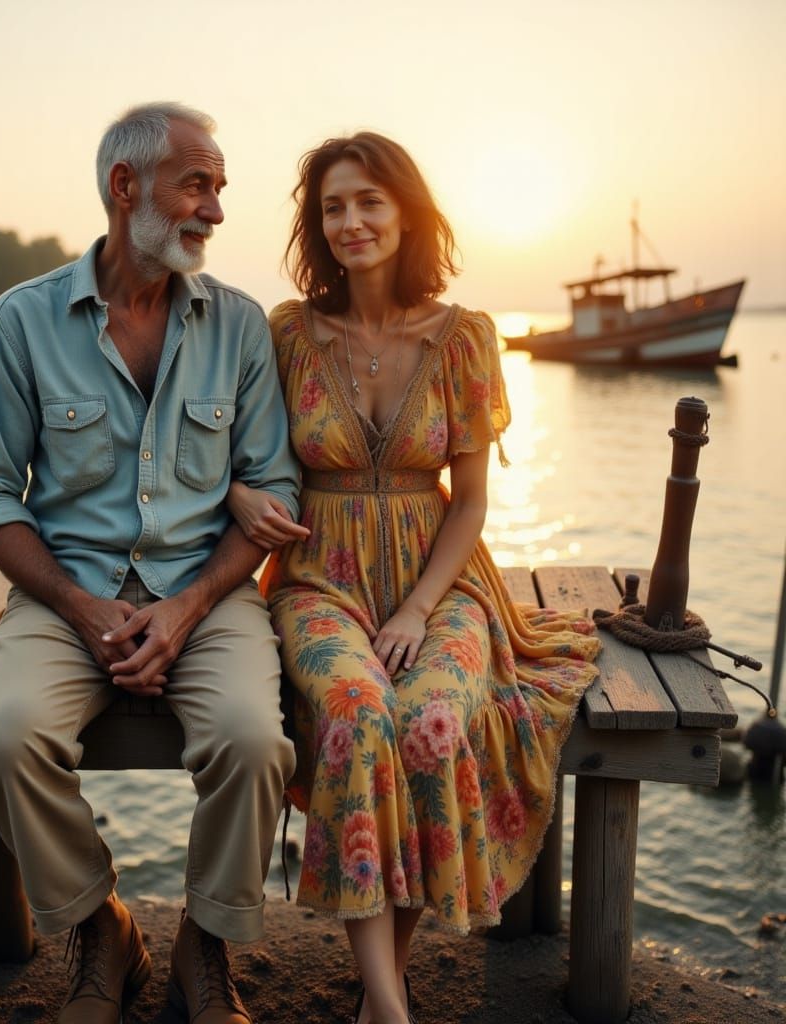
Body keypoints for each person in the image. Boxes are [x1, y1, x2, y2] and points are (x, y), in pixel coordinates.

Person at [226, 132, 600, 1024]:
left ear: (406, 212)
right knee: (357, 714)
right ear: (316, 225)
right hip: (320, 574)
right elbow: (226, 451)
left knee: (432, 720)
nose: (351, 222)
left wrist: (421, 611)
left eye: (369, 202)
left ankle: (378, 998)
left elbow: (468, 502)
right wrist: (241, 495)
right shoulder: (286, 333)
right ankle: (390, 1011)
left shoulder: (466, 337)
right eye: (332, 207)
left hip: (444, 578)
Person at [0, 102, 299, 1024]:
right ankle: (101, 930)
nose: (216, 210)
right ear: (124, 187)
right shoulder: (20, 323)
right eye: (198, 184)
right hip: (68, 597)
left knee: (255, 743)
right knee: (9, 740)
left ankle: (205, 943)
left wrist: (185, 608)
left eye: (220, 188)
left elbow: (275, 490)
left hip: (208, 595)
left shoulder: (240, 327)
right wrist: (79, 605)